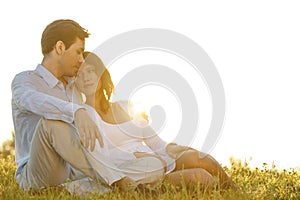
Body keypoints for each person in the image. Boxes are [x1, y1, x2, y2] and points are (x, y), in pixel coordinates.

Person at [11, 19, 143, 194]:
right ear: (60, 48)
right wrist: (75, 111)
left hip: (73, 169)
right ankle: (117, 182)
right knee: (52, 123)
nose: (82, 59)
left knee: (142, 166)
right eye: (78, 52)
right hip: (36, 172)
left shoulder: (74, 86)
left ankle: (71, 190)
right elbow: (30, 99)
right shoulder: (25, 81)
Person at [75, 51, 238, 190]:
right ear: (75, 83)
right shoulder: (84, 116)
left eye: (90, 71)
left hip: (157, 158)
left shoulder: (126, 106)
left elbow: (155, 142)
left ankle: (237, 194)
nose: (86, 78)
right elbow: (102, 158)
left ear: (101, 74)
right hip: (136, 171)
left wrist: (171, 148)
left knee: (200, 158)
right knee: (200, 177)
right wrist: (134, 156)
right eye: (79, 75)